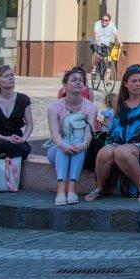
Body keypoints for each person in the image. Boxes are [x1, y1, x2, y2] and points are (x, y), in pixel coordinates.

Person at [88, 64, 140, 201]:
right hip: (116, 141)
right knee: (104, 152)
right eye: (134, 81)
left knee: (122, 152)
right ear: (125, 83)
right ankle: (100, 188)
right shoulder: (117, 101)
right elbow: (111, 122)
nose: (138, 84)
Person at [46, 70, 97, 205]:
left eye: (80, 80)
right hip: (57, 149)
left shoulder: (90, 107)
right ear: (64, 85)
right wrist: (62, 145)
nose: (78, 82)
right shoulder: (54, 107)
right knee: (66, 140)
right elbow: (55, 133)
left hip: (81, 148)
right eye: (73, 80)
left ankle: (72, 187)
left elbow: (89, 132)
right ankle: (61, 188)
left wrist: (83, 145)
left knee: (77, 141)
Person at [0, 65, 33, 159]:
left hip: (16, 139)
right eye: (6, 76)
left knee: (23, 148)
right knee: (4, 146)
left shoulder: (23, 99)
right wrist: (5, 138)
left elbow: (29, 124)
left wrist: (23, 138)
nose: (10, 78)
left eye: (12, 75)